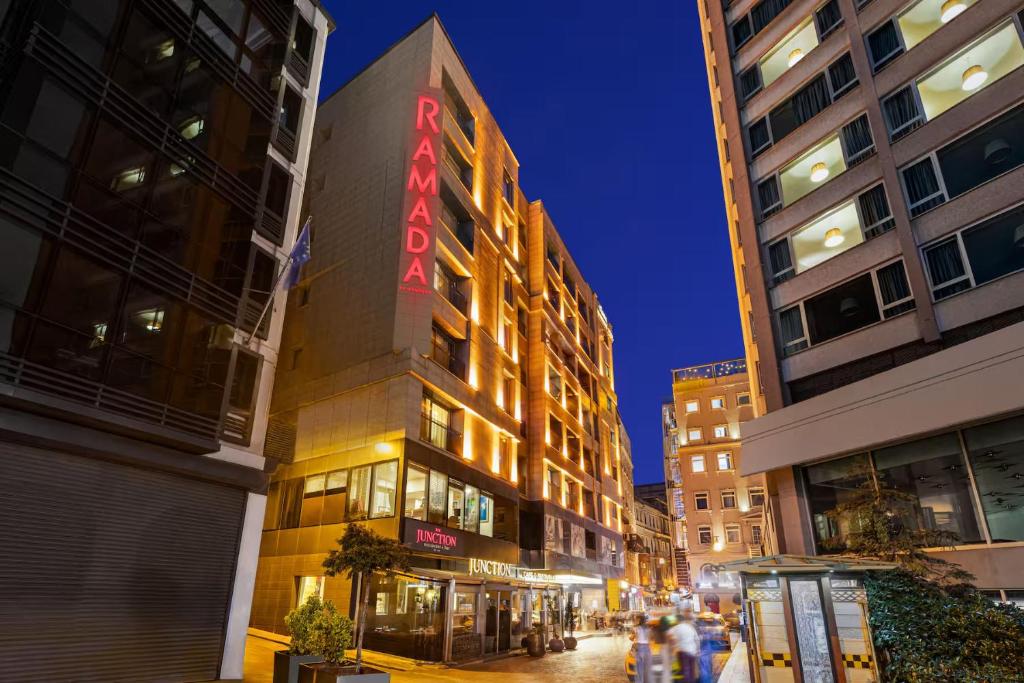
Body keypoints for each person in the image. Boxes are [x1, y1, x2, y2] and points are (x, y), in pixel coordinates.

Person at [669, 608, 701, 683]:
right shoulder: (690, 627)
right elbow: (697, 639)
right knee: (691, 671)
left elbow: (669, 635)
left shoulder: (676, 628)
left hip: (683, 652)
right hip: (692, 651)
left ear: (677, 621)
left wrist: (674, 645)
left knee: (686, 671)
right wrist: (698, 650)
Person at [631, 614, 653, 683]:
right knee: (648, 669)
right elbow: (651, 638)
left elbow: (632, 638)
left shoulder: (636, 628)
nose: (635, 620)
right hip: (648, 648)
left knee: (639, 669)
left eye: (637, 619)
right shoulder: (649, 628)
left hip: (640, 648)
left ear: (639, 620)